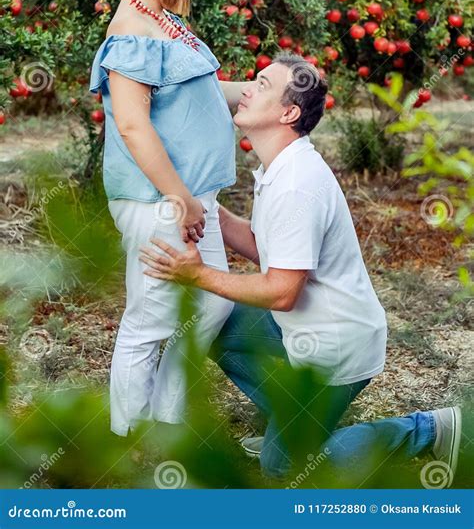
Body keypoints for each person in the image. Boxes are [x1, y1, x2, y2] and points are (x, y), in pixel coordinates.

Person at [138, 54, 462, 482]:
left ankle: (426, 429)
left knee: (284, 467)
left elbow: (282, 291)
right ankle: (291, 422)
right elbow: (265, 248)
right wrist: (204, 209)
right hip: (299, 333)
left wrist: (197, 275)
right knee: (214, 320)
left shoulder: (297, 184)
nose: (247, 89)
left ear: (288, 113)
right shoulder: (280, 167)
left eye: (262, 85)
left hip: (336, 348)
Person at [89, 0, 246, 436]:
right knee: (151, 320)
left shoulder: (165, 23)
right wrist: (179, 195)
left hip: (190, 197)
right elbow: (133, 125)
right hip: (159, 200)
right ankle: (128, 436)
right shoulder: (132, 31)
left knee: (214, 302)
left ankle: (166, 421)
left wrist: (262, 89)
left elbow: (199, 93)